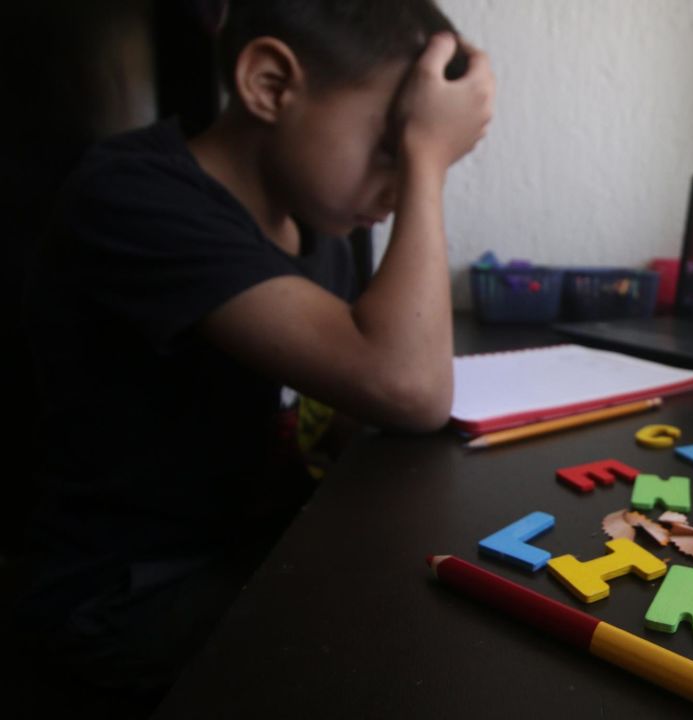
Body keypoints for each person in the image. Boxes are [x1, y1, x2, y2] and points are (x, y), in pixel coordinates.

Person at [17, 0, 494, 709]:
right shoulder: (130, 194)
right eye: (393, 145)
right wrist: (428, 159)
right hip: (127, 593)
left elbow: (349, 406)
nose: (399, 192)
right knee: (425, 649)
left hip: (248, 539)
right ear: (269, 83)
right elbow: (409, 385)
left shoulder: (318, 232)